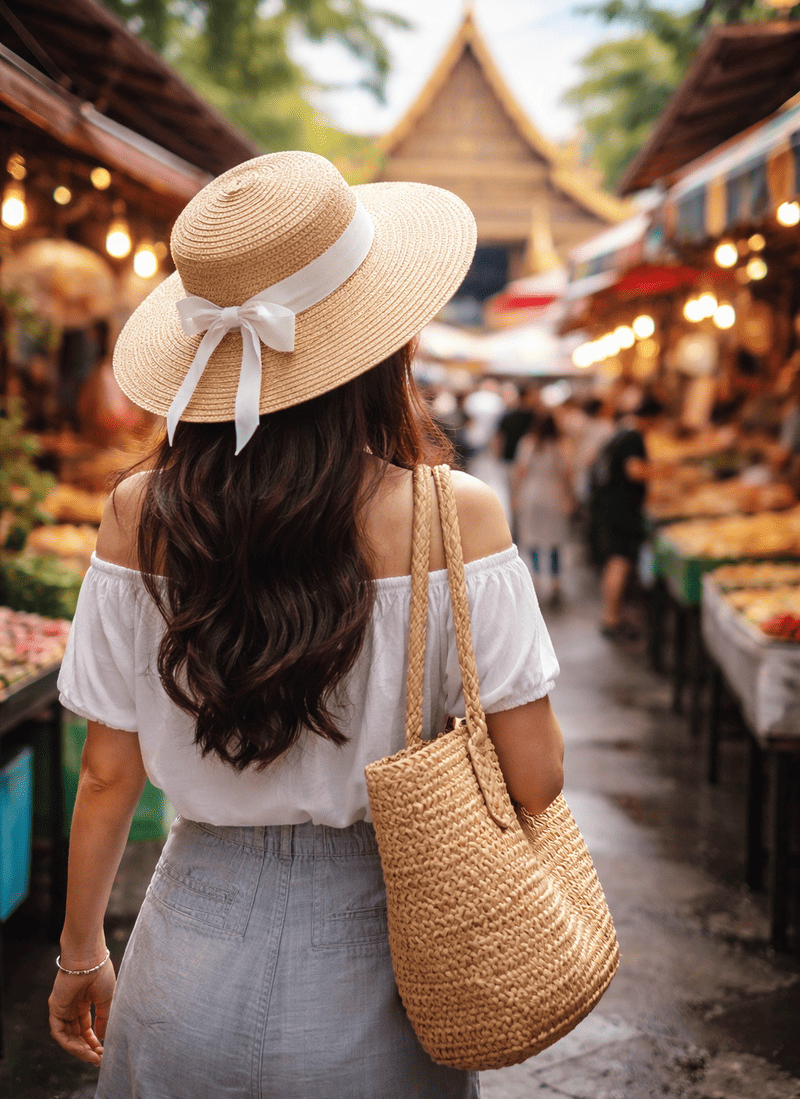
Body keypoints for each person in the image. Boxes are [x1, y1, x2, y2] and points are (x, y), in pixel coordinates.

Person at [48, 152, 564, 1099]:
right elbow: (535, 777)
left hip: (184, 950)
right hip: (384, 956)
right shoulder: (460, 517)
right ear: (379, 346)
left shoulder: (136, 513)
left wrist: (82, 954)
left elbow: (108, 772)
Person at [591, 394, 662, 638]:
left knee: (614, 560)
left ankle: (611, 614)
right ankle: (610, 619)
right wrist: (663, 472)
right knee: (619, 560)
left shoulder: (621, 431)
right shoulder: (633, 437)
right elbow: (634, 470)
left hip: (609, 505)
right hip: (621, 507)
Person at [512, 413, 573, 605]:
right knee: (555, 539)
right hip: (553, 495)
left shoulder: (528, 443)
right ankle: (555, 581)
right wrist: (570, 496)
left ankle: (536, 578)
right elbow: (567, 474)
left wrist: (515, 495)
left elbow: (519, 471)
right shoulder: (561, 445)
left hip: (531, 494)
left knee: (534, 538)